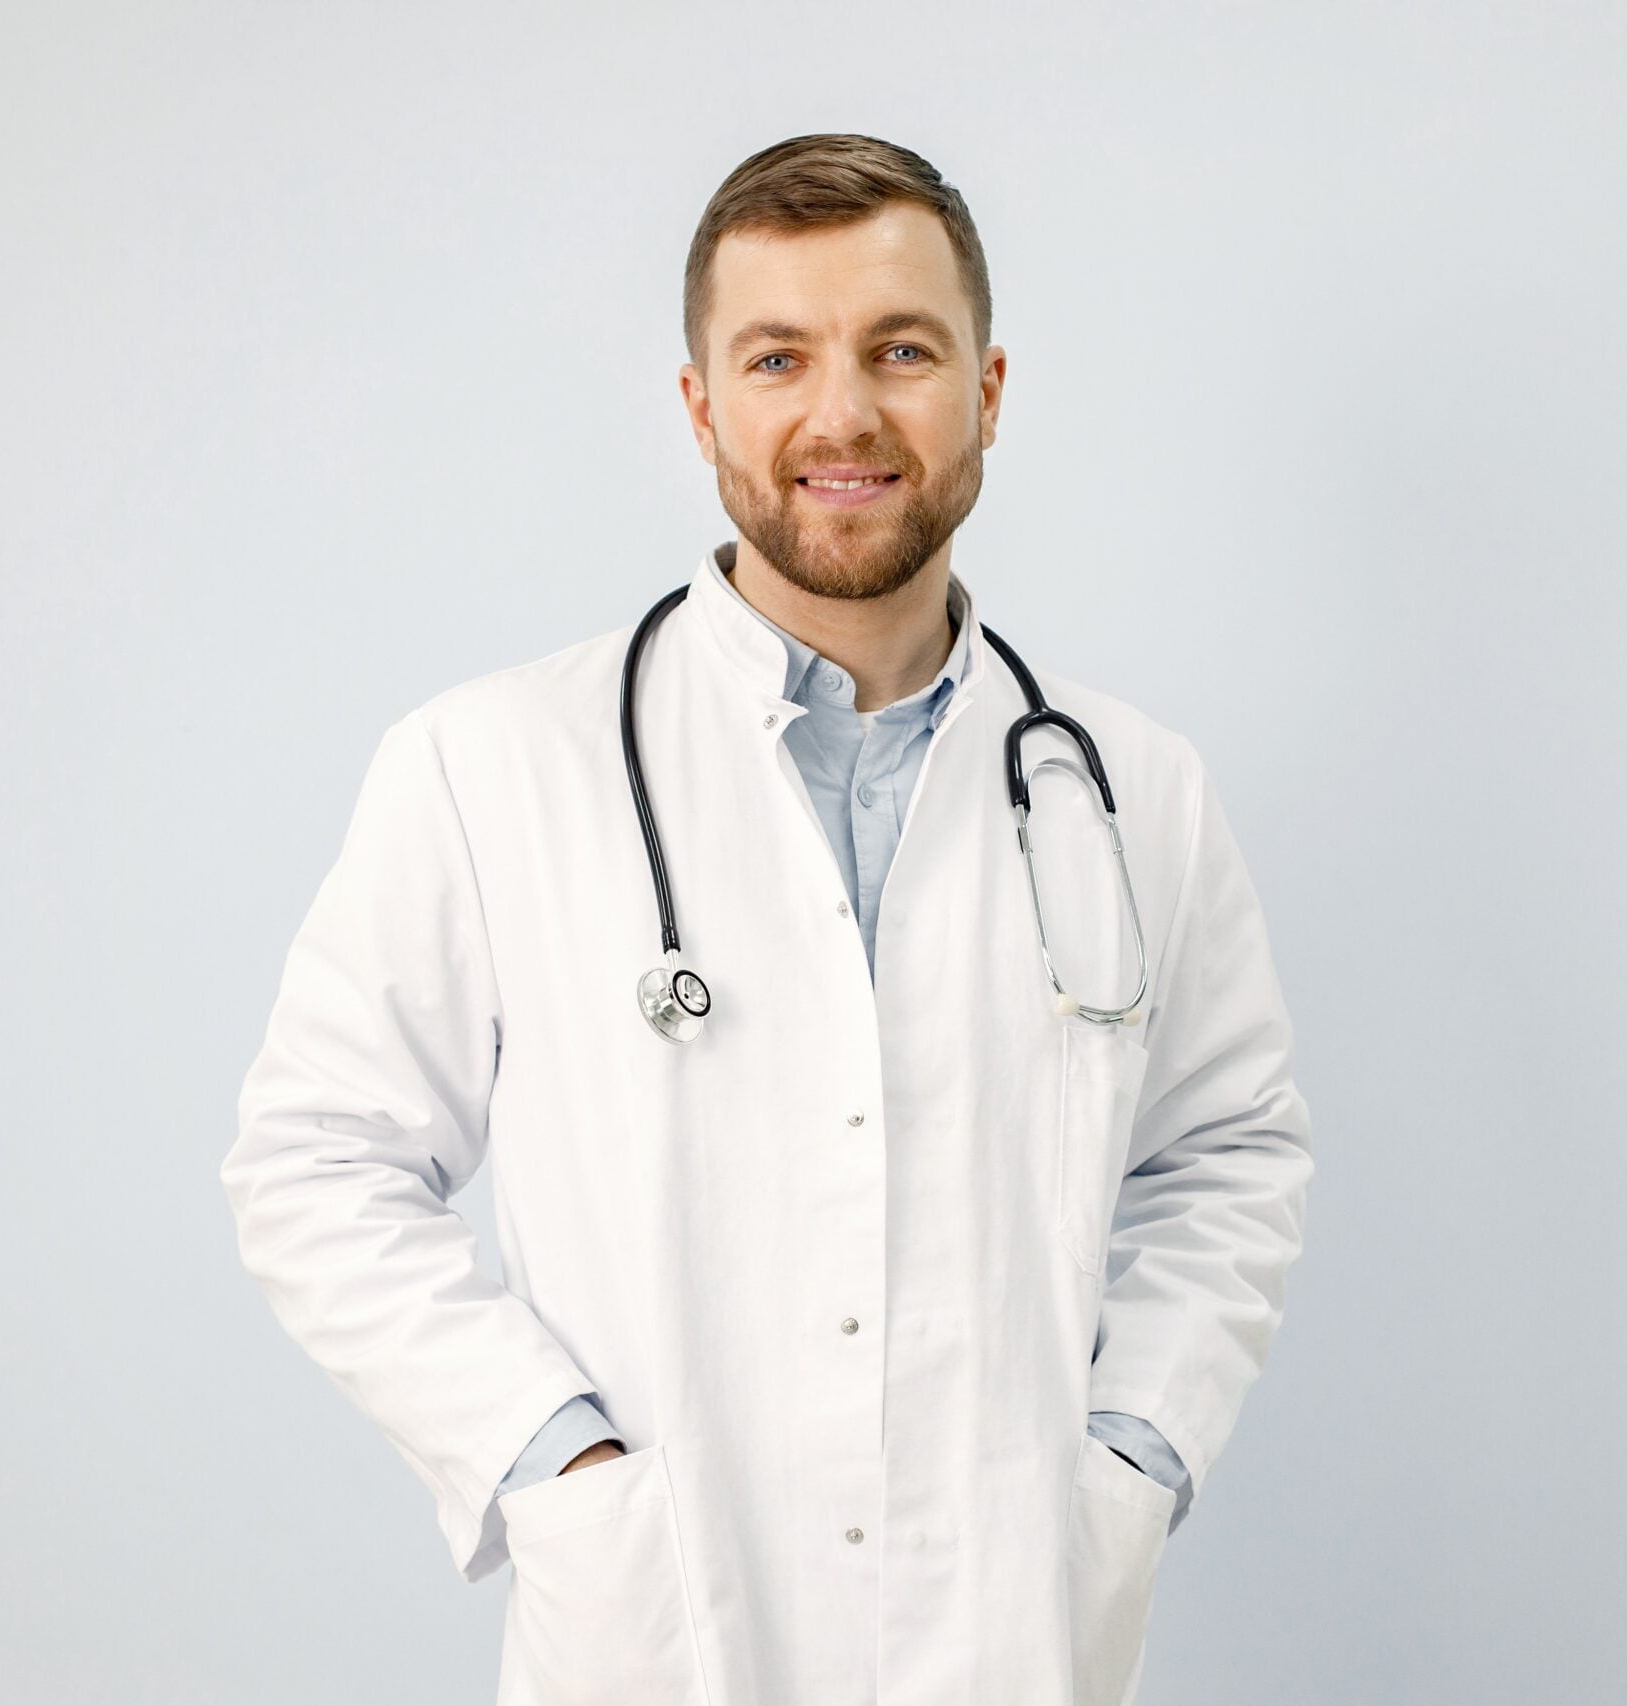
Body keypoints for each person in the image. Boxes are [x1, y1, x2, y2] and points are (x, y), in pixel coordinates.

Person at [220, 132, 1314, 1706]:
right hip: (658, 1640)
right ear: (702, 406)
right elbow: (314, 1159)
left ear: (988, 391)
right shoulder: (491, 765)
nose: (843, 413)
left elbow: (1233, 1154)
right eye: (780, 356)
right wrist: (558, 1465)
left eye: (902, 350)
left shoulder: (1133, 789)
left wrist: (1127, 1461)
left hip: (1012, 1631)